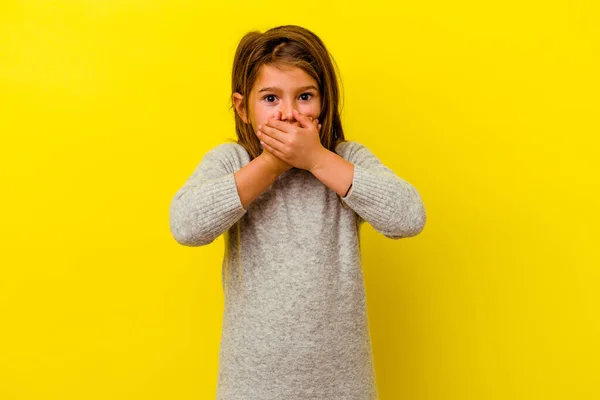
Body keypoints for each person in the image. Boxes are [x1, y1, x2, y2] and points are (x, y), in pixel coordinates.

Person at [169, 24, 427, 400]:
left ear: (325, 103)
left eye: (304, 96)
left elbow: (409, 216)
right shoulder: (233, 161)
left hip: (343, 388)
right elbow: (186, 225)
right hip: (251, 387)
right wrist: (268, 167)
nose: (289, 114)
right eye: (271, 99)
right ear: (243, 108)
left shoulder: (344, 160)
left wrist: (317, 159)